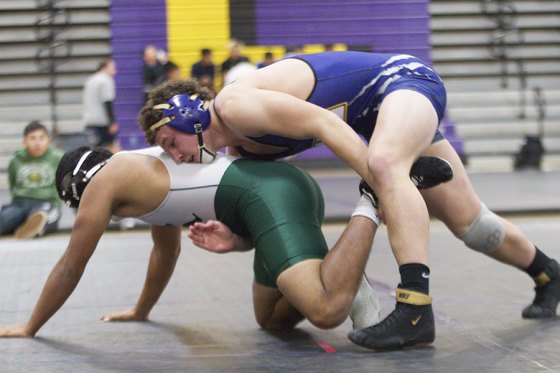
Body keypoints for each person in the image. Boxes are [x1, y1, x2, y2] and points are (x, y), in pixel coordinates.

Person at [136, 51, 560, 351]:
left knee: (385, 163)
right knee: (472, 224)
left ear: (184, 112)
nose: (176, 155)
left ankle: (415, 308)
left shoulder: (234, 103)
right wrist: (238, 239)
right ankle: (548, 273)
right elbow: (272, 214)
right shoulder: (243, 152)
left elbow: (323, 122)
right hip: (378, 116)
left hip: (400, 81)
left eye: (169, 142)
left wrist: (379, 178)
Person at [0, 145, 451, 338]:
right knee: (272, 319)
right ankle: (341, 271)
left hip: (269, 196)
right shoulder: (136, 176)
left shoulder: (107, 180)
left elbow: (71, 265)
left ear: (79, 186)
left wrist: (30, 326)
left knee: (325, 310)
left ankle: (370, 201)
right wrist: (142, 311)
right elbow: (165, 251)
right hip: (270, 197)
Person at [0, 121, 63, 239]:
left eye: (41, 138)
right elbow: (13, 183)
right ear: (24, 142)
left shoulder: (58, 158)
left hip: (47, 202)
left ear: (48, 140)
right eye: (32, 138)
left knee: (43, 216)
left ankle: (34, 226)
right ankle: (24, 226)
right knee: (5, 218)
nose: (37, 143)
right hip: (20, 204)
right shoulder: (15, 160)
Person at [83, 58, 119, 153]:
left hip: (89, 120)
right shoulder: (106, 81)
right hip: (102, 121)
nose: (115, 71)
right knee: (113, 147)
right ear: (104, 68)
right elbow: (107, 102)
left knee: (94, 150)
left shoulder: (90, 80)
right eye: (112, 68)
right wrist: (112, 122)